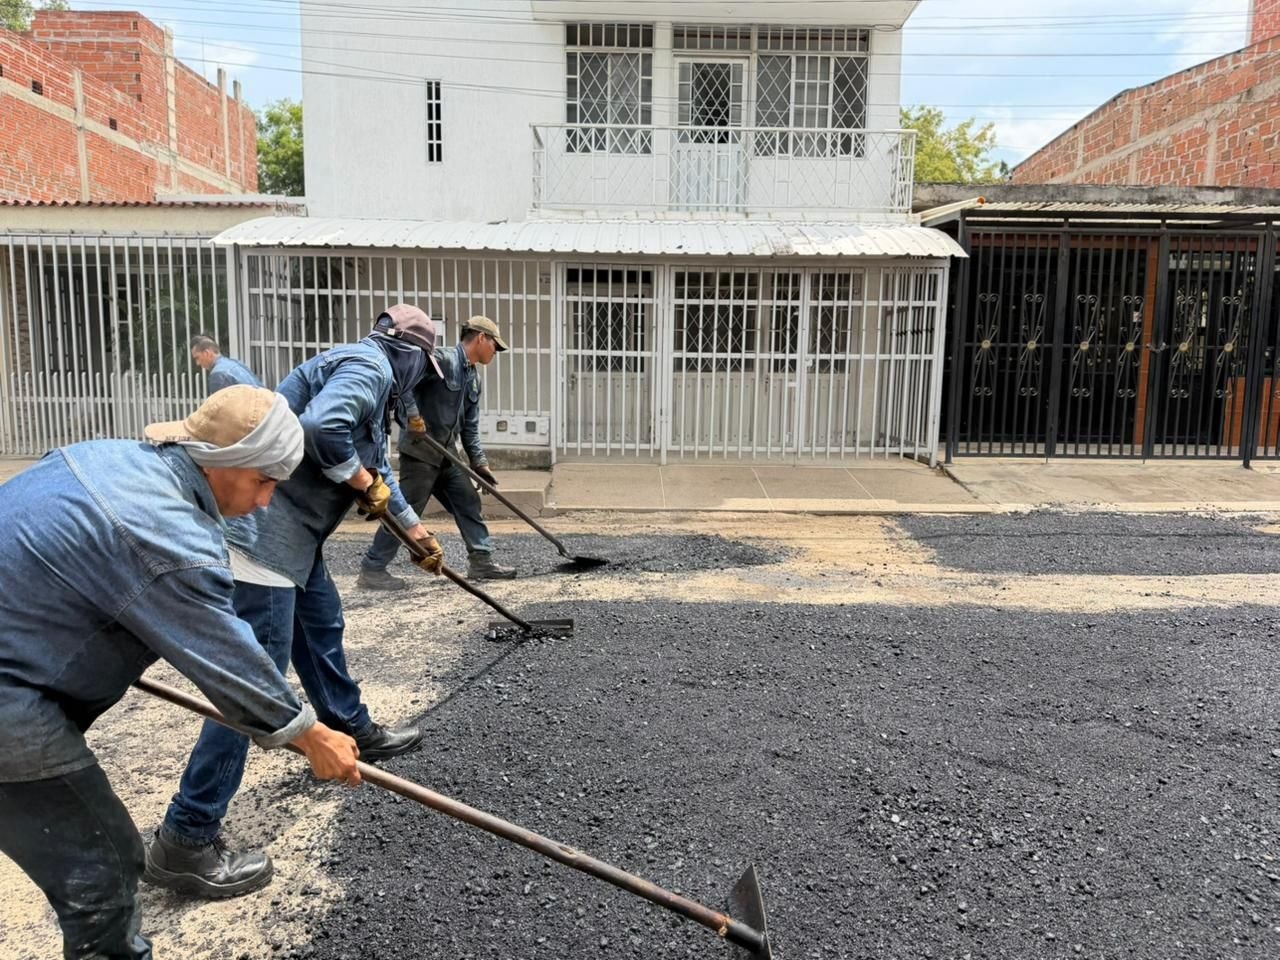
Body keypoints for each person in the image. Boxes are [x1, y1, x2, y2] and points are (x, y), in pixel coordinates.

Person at [0, 385, 362, 960]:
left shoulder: (105, 455)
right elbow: (226, 655)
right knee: (105, 865)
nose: (267, 502)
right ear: (222, 462)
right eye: (264, 481)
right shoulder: (170, 536)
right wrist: (308, 734)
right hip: (10, 702)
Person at [147, 304, 447, 898]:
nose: (422, 381)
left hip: (296, 542)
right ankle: (187, 835)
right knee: (256, 682)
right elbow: (323, 430)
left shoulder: (368, 376)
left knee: (322, 625)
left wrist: (415, 533)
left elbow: (373, 464)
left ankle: (346, 723)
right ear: (409, 354)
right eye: (425, 368)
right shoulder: (369, 368)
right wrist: (364, 484)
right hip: (263, 541)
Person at [357, 315, 517, 589]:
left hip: (446, 455)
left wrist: (480, 463)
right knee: (404, 512)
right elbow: (403, 382)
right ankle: (373, 569)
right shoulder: (440, 360)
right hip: (420, 454)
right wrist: (413, 417)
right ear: (481, 338)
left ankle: (482, 561)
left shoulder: (472, 377)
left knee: (468, 501)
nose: (495, 351)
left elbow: (470, 425)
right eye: (494, 345)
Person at [191, 333, 261, 393]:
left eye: (197, 358)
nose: (198, 363)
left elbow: (223, 407)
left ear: (206, 353)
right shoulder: (236, 363)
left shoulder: (218, 375)